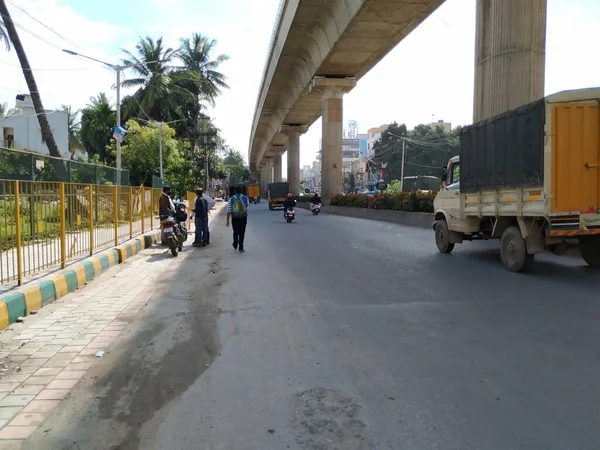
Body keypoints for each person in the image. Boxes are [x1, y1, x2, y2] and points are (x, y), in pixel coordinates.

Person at [226, 186, 249, 253]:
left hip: (235, 218)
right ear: (242, 191)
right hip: (243, 217)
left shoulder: (232, 198)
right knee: (242, 232)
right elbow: (247, 205)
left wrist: (227, 220)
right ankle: (241, 248)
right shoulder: (245, 198)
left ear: (235, 191)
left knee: (235, 232)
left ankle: (235, 244)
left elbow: (229, 210)